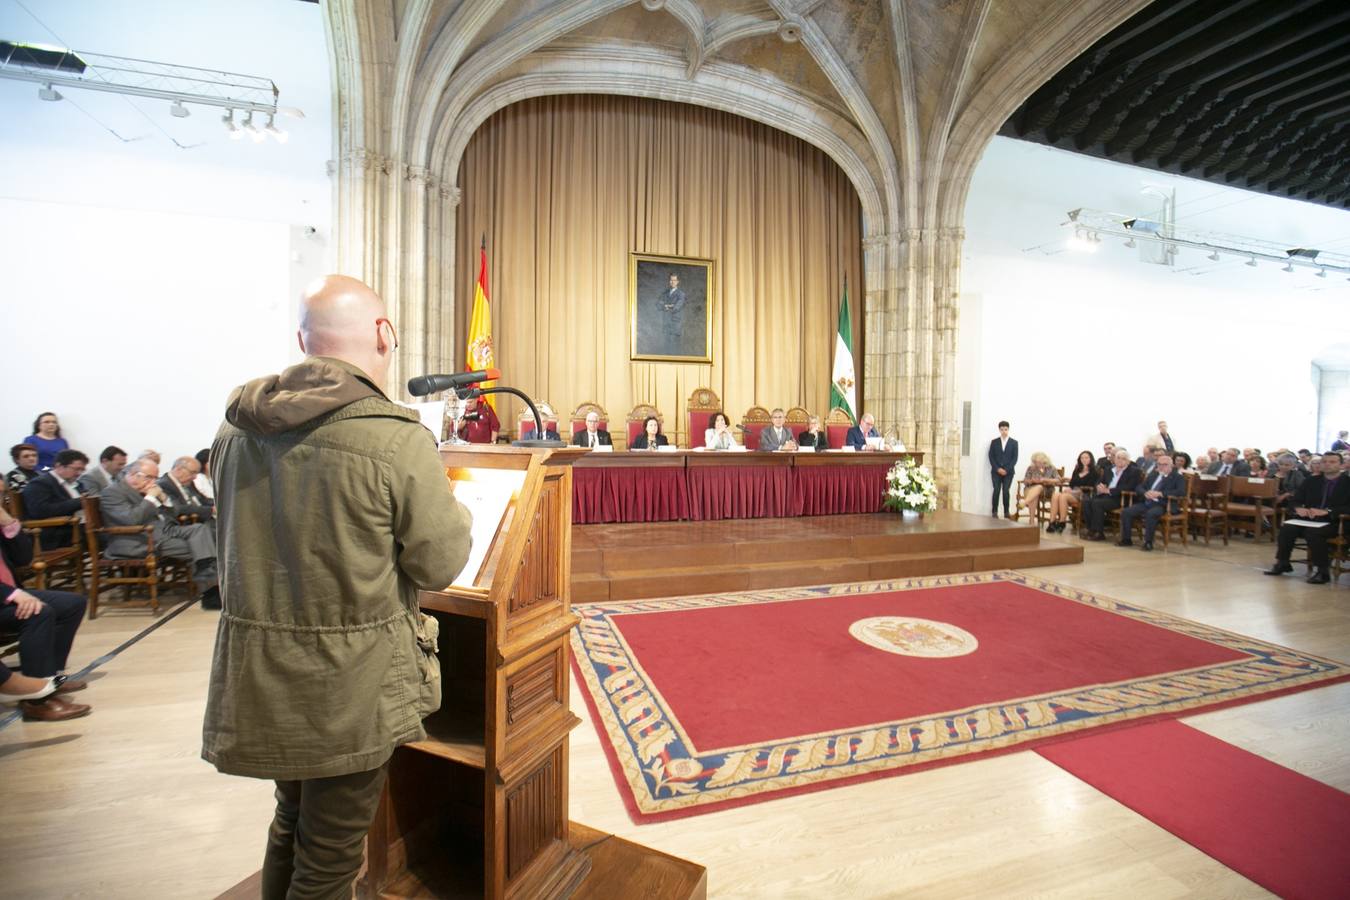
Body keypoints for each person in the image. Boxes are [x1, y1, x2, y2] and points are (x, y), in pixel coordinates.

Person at [202, 274, 474, 900]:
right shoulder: (395, 436)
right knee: (328, 863)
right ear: (385, 333)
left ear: (303, 340)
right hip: (347, 684)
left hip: (262, 673)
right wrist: (454, 509)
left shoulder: (235, 431)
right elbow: (439, 564)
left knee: (289, 824)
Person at [0, 490, 91, 721]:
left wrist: (9, 522)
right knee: (38, 612)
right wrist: (12, 595)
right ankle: (37, 701)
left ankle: (52, 676)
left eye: (2, 494)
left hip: (10, 592)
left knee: (73, 603)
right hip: (7, 595)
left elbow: (23, 559)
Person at [101, 458, 220, 607]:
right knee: (204, 545)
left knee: (201, 530)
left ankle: (213, 588)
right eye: (149, 477)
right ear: (133, 474)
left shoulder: (143, 489)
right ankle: (211, 591)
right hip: (139, 539)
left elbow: (174, 511)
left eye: (155, 477)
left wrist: (163, 498)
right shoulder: (112, 493)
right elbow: (132, 519)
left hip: (164, 531)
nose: (153, 481)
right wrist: (150, 497)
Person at [1265, 452, 1350, 584]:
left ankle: (1322, 571)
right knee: (1287, 528)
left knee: (1314, 533)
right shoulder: (1311, 481)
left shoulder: (1347, 482)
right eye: (1324, 461)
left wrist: (1327, 511)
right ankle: (1282, 562)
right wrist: (1298, 508)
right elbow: (1295, 500)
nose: (1327, 464)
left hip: (1337, 521)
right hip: (1310, 519)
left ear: (1341, 464)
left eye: (1332, 462)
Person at [22, 449, 88, 549]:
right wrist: (79, 502)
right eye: (76, 469)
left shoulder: (77, 483)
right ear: (59, 466)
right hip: (57, 532)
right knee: (110, 536)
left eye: (82, 470)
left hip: (80, 527)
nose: (79, 473)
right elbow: (40, 511)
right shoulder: (40, 484)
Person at [1117, 453, 1185, 550]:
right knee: (1126, 512)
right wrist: (1145, 492)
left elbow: (1180, 492)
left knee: (1151, 514)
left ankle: (1148, 542)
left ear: (1171, 465)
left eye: (1164, 465)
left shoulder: (1177, 477)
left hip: (1163, 504)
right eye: (1159, 464)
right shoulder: (1153, 475)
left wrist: (1160, 493)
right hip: (1147, 502)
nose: (1161, 467)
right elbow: (1139, 487)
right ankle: (1126, 539)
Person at [1082, 448, 1141, 541]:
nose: (1120, 460)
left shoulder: (1134, 471)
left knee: (1097, 503)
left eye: (1123, 458)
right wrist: (1099, 487)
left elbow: (1130, 486)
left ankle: (1099, 533)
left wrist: (1109, 491)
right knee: (1086, 501)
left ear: (1128, 461)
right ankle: (1091, 530)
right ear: (1114, 459)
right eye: (1118, 458)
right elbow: (1099, 481)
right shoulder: (1109, 469)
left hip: (1120, 498)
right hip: (1104, 495)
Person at [1047, 450, 1098, 533]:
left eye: (1086, 458)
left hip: (1084, 494)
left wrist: (1072, 492)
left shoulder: (1094, 472)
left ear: (1091, 459)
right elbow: (1072, 484)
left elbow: (1091, 487)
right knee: (1056, 495)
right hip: (1072, 492)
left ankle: (1062, 522)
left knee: (1063, 496)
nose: (1084, 459)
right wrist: (1069, 489)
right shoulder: (1077, 470)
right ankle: (1052, 522)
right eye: (1082, 458)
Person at [158, 456, 215, 522]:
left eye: (196, 473)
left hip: (203, 518)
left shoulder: (188, 482)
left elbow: (203, 499)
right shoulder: (164, 484)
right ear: (178, 469)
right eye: (193, 472)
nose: (195, 477)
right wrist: (210, 510)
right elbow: (179, 508)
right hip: (188, 522)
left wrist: (220, 503)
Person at [987, 421, 1018, 518]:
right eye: (1002, 429)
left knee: (1005, 491)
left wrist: (1006, 470)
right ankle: (994, 512)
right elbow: (991, 456)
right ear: (999, 430)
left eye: (1005, 429)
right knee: (996, 490)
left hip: (1008, 473)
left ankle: (1006, 512)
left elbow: (1015, 458)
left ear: (1008, 429)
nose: (1004, 431)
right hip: (996, 472)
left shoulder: (1014, 443)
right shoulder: (994, 442)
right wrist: (997, 469)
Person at [1016, 452, 1059, 521]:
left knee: (1039, 487)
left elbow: (1058, 480)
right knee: (1034, 495)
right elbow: (1025, 480)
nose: (1037, 464)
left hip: (1046, 490)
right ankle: (1031, 521)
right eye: (1035, 462)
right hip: (1031, 488)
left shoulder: (1051, 468)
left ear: (1045, 461)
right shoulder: (1031, 468)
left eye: (1039, 462)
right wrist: (1031, 481)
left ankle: (1025, 502)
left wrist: (1045, 480)